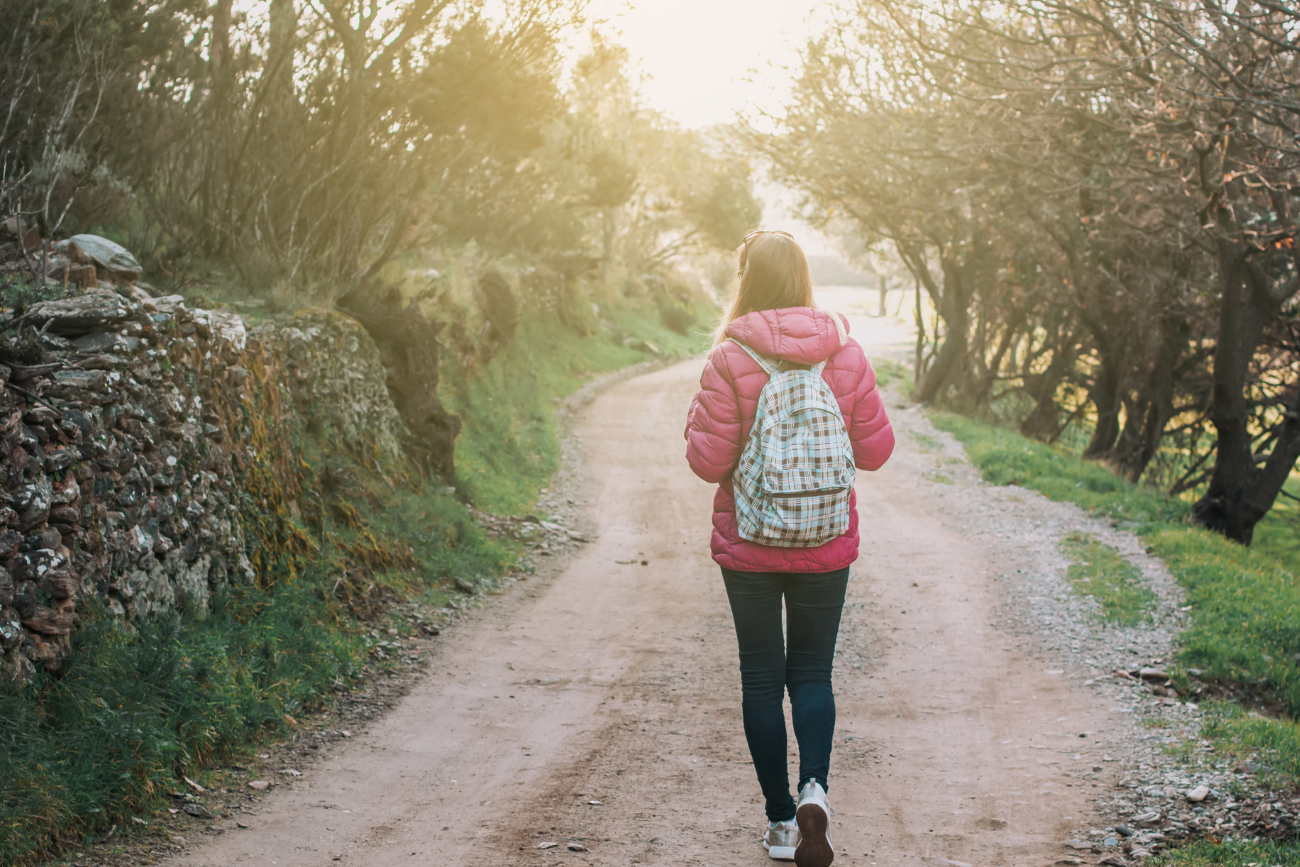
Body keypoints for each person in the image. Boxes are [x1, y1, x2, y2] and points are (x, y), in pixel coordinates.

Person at [684, 231, 894, 866]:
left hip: (749, 542)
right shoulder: (847, 353)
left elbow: (707, 460)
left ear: (746, 280)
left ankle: (779, 821)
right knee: (813, 673)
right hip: (827, 541)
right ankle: (815, 790)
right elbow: (876, 453)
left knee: (760, 677)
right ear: (804, 278)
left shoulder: (730, 357)